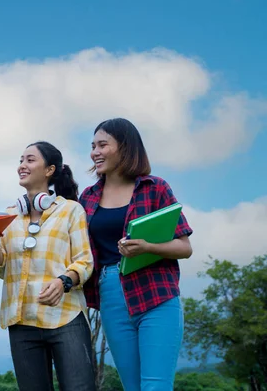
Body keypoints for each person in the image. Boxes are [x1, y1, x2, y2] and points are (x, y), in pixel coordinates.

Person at [79, 118, 194, 391]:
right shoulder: (88, 197)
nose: (95, 152)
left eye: (102, 145)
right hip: (111, 294)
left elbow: (184, 247)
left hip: (156, 293)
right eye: (92, 146)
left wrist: (147, 247)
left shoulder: (155, 188)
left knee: (155, 386)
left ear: (125, 147)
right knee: (132, 386)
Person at [0, 141, 96, 391]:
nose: (22, 166)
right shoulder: (8, 215)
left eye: (30, 160)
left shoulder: (71, 210)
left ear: (49, 170)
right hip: (21, 320)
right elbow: (3, 269)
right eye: (20, 160)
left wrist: (64, 281)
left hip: (66, 317)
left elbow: (85, 261)